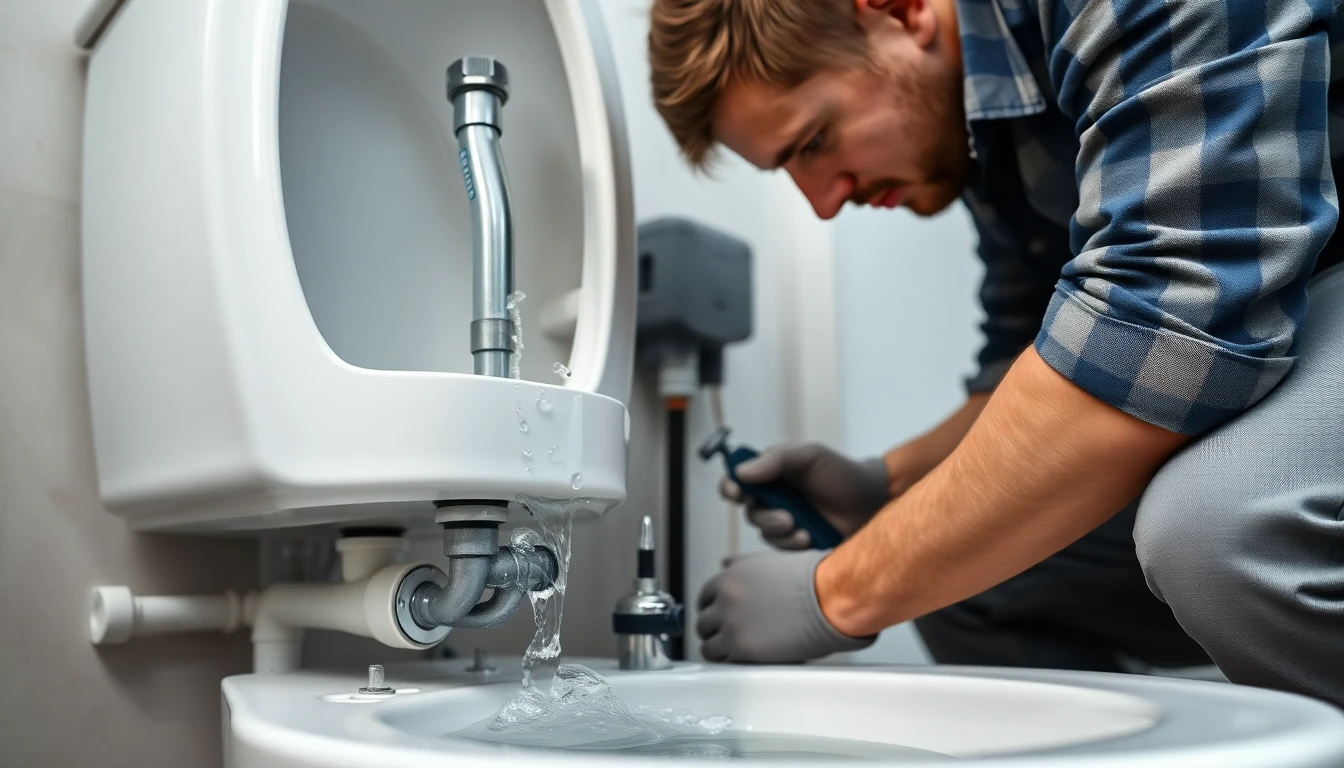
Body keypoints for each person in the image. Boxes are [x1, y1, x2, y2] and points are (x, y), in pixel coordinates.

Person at [648, 0, 1344, 707]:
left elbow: (1173, 324)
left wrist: (833, 593)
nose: (823, 204)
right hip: (1278, 307)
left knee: (1222, 529)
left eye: (815, 141)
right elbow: (1053, 357)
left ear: (900, 12)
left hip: (1310, 274)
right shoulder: (979, 134)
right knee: (963, 577)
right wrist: (885, 484)